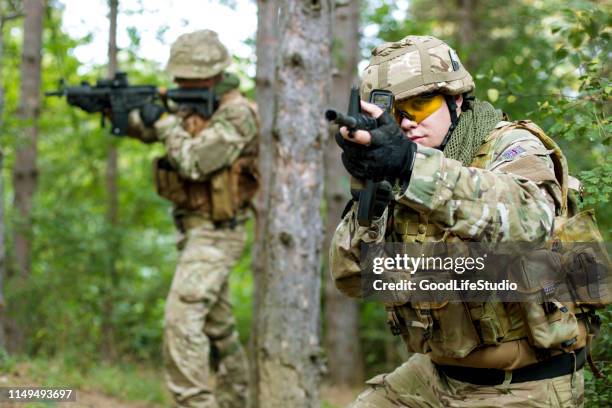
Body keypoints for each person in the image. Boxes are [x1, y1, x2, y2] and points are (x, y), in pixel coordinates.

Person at [330, 35, 592, 407]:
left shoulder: (510, 145)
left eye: (418, 106)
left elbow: (532, 221)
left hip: (522, 383)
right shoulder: (401, 171)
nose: (406, 124)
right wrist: (368, 195)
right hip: (437, 375)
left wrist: (410, 166)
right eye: (394, 114)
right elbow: (352, 278)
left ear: (455, 99)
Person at [126, 29, 258, 408]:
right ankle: (235, 401)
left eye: (187, 76)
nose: (180, 83)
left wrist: (164, 123)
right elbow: (151, 130)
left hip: (218, 234)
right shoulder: (189, 105)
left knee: (181, 319)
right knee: (220, 329)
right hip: (194, 231)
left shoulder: (237, 113)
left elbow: (197, 162)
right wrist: (125, 113)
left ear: (212, 74)